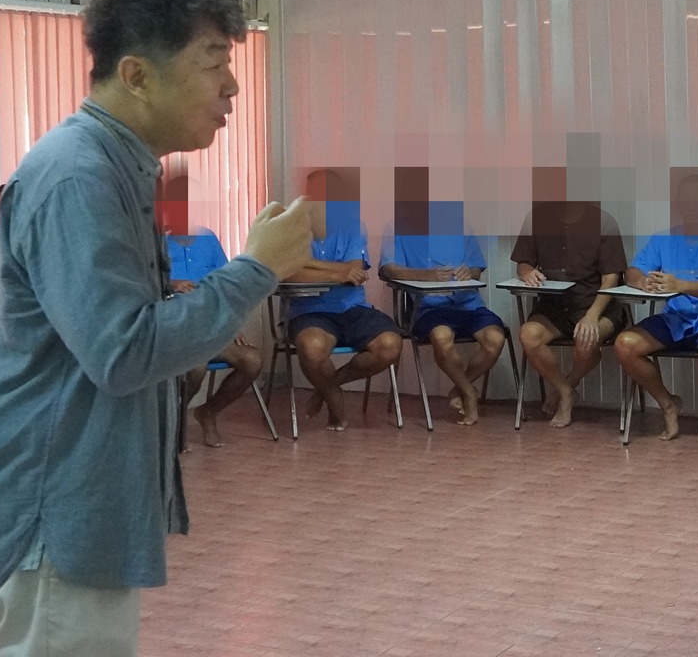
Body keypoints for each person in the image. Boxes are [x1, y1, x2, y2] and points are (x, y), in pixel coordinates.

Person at [0, 0, 313, 657]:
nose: (232, 87)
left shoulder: (108, 168)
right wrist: (255, 270)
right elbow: (124, 350)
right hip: (53, 533)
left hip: (60, 516)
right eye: (214, 62)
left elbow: (26, 347)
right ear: (138, 73)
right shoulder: (78, 175)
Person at [614, 168, 698, 443]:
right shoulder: (663, 238)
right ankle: (668, 403)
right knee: (625, 344)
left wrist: (681, 285)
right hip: (676, 317)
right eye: (686, 201)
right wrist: (643, 282)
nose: (692, 206)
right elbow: (632, 271)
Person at [378, 166, 507, 426]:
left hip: (468, 305)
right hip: (428, 308)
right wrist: (426, 276)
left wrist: (467, 271)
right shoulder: (396, 227)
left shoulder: (460, 225)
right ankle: (469, 393)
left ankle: (459, 389)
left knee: (495, 339)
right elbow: (388, 269)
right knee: (442, 338)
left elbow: (476, 269)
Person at [510, 166, 627, 428]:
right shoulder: (536, 218)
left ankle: (565, 387)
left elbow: (611, 278)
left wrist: (592, 316)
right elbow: (522, 264)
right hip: (553, 306)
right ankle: (566, 391)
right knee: (528, 336)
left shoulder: (604, 222)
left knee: (586, 340)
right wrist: (527, 272)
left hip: (595, 304)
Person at [286, 169, 402, 432]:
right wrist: (336, 272)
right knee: (312, 348)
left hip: (352, 308)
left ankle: (328, 387)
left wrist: (309, 265)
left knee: (390, 345)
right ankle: (334, 399)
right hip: (308, 311)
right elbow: (287, 272)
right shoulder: (291, 228)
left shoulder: (353, 225)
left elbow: (355, 271)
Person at [159, 167, 259, 451]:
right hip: (173, 327)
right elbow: (140, 283)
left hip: (210, 327)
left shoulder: (208, 238)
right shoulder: (154, 242)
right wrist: (170, 284)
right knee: (196, 367)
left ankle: (208, 413)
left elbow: (226, 286)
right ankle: (174, 424)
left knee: (251, 360)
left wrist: (232, 323)